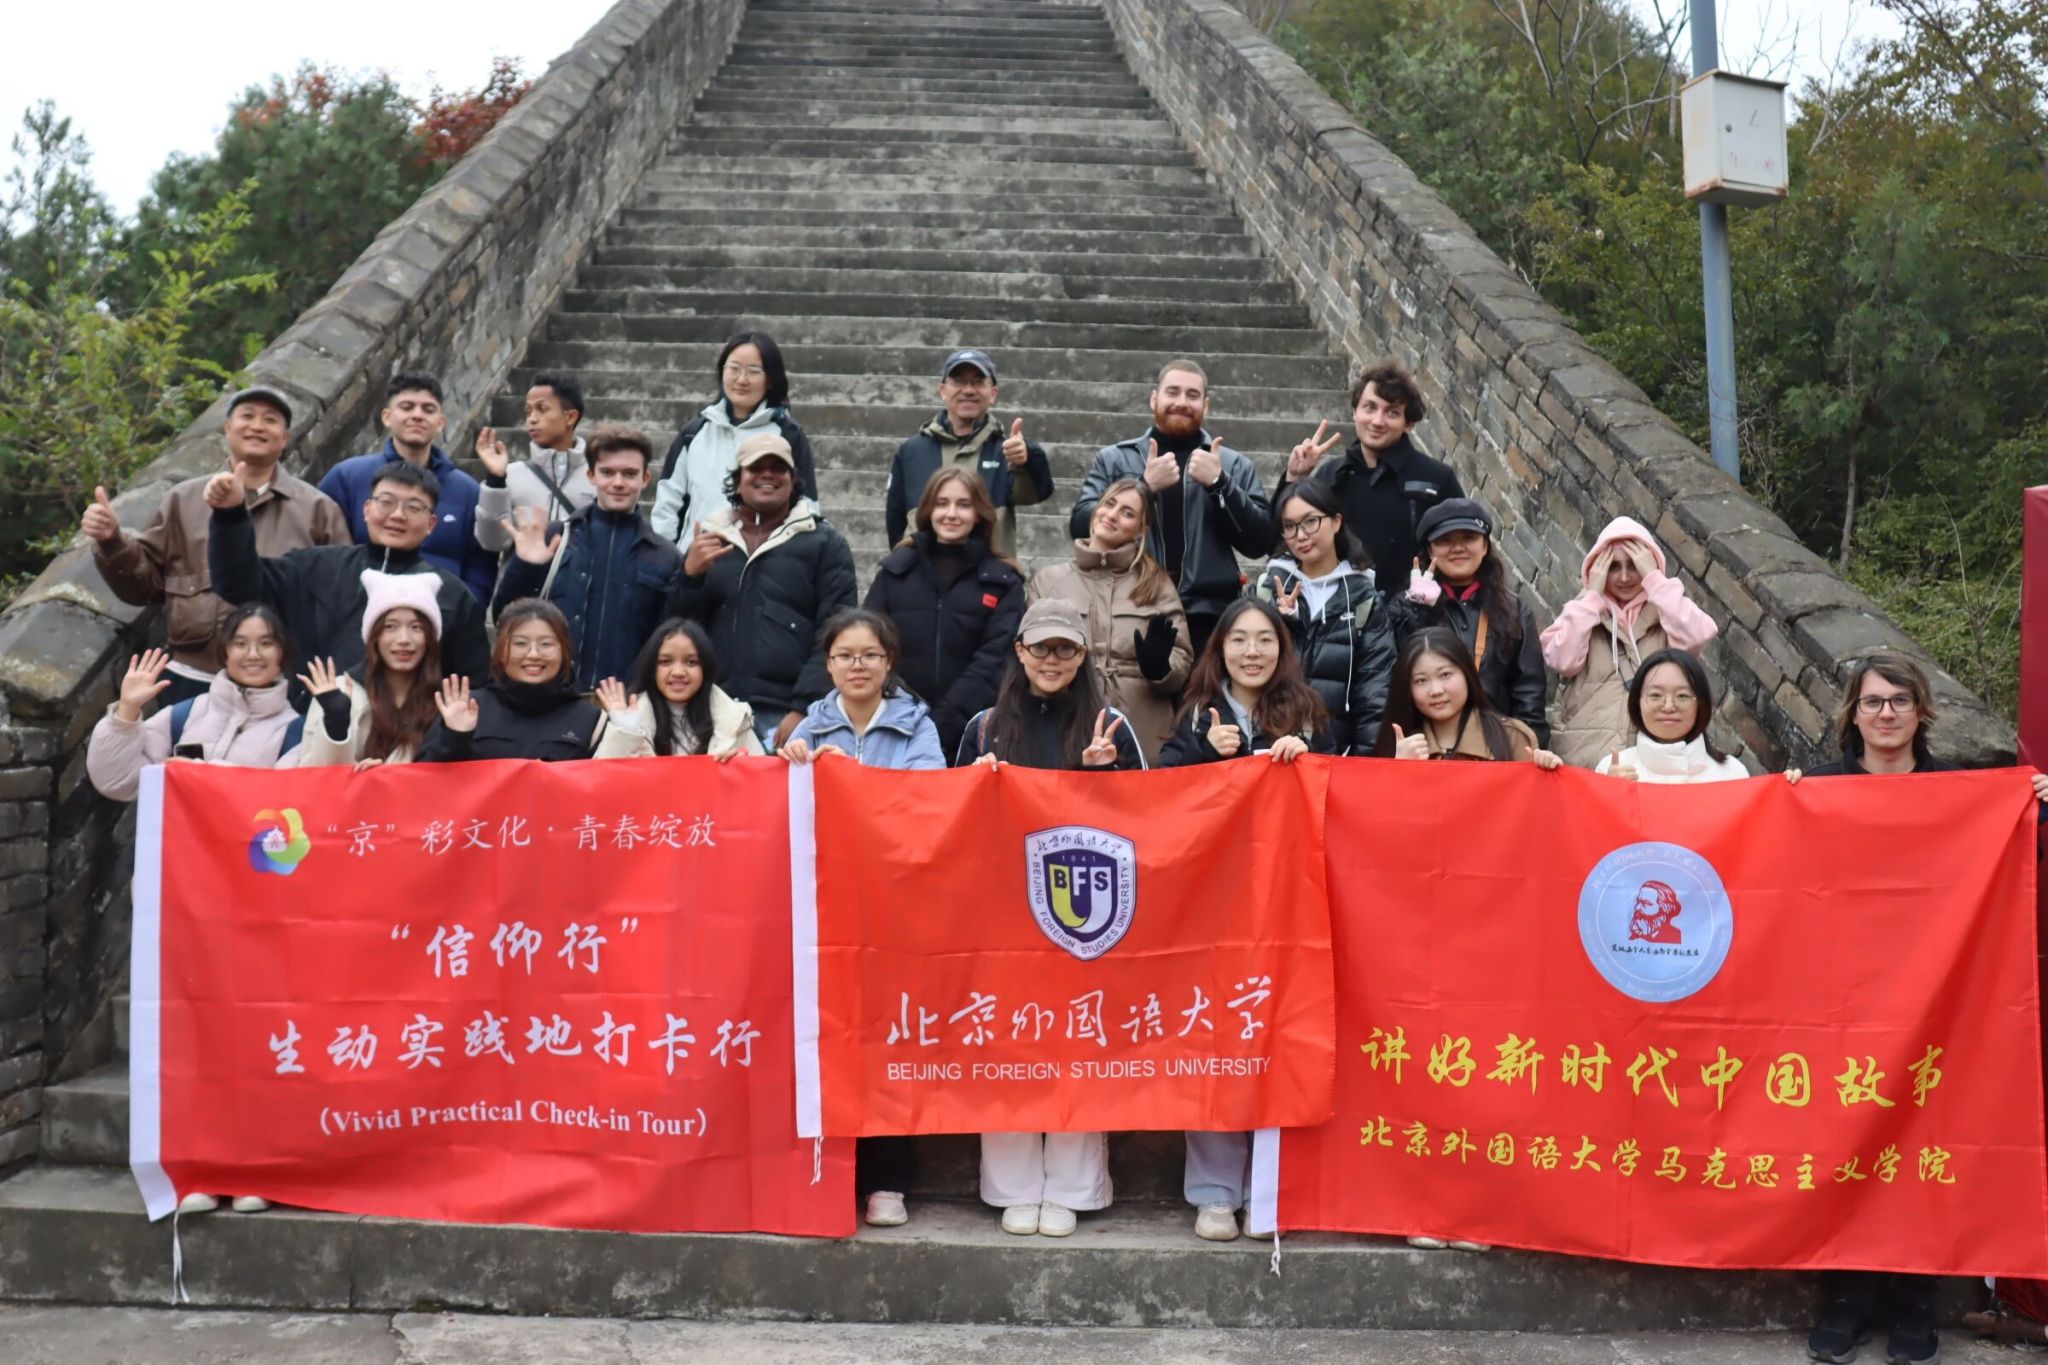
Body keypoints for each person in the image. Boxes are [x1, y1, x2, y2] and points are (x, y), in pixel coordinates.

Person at [1787, 652, 2048, 1365]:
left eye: (1900, 701)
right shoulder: (1819, 788)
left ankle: (1914, 1301)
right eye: (1873, 701)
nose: (1887, 714)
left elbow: (2014, 860)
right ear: (1853, 713)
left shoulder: (1959, 792)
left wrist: (2033, 808)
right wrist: (1784, 803)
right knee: (1845, 1143)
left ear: (1922, 711)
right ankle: (1845, 1298)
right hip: (1842, 1002)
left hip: (1936, 1000)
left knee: (1924, 1145)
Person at [956, 600, 1138, 1238]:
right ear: (1020, 651)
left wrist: (1106, 777)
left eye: (1066, 649)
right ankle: (1010, 1186)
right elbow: (951, 824)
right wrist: (974, 786)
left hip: (1082, 910)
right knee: (1007, 1040)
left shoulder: (1112, 725)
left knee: (1078, 1040)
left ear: (1083, 655)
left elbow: (1147, 823)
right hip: (1001, 909)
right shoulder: (983, 727)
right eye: (1041, 648)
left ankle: (1073, 1187)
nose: (1052, 660)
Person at [778, 609, 946, 1228]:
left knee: (888, 1041)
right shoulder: (806, 728)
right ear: (827, 665)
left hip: (895, 908)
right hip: (825, 909)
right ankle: (829, 1177)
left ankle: (888, 1181)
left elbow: (927, 797)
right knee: (827, 1040)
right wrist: (790, 764)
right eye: (845, 655)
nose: (858, 666)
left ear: (888, 663)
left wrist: (849, 781)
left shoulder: (917, 725)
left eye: (870, 655)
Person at [81, 385, 349, 701]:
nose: (257, 426)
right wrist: (112, 542)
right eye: (247, 416)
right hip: (193, 675)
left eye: (270, 420)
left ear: (285, 437)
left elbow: (339, 598)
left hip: (283, 682)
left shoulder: (318, 509)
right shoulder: (182, 500)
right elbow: (143, 587)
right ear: (227, 428)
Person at [208, 460, 490, 684]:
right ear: (367, 509)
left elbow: (471, 682)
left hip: (407, 733)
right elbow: (238, 583)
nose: (397, 515)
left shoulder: (451, 595)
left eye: (413, 507)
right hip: (311, 723)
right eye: (386, 502)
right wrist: (230, 516)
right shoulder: (315, 567)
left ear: (431, 524)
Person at [1068, 359, 1274, 655]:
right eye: (1173, 392)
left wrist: (1220, 483)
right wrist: (1143, 487)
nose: (1182, 402)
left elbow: (1259, 542)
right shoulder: (1114, 459)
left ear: (1206, 405)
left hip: (1210, 612)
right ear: (1154, 398)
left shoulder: (1233, 464)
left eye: (1192, 395)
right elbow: (1080, 525)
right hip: (1131, 603)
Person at [669, 430, 857, 749]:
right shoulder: (708, 541)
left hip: (786, 715)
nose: (767, 475)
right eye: (756, 468)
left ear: (793, 480)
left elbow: (837, 634)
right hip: (712, 709)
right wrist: (690, 577)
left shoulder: (827, 543)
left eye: (778, 468)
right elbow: (676, 628)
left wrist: (803, 708)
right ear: (737, 480)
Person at [490, 423, 682, 691]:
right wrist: (526, 567)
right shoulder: (556, 538)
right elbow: (504, 616)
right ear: (591, 475)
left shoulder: (664, 555)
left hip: (625, 701)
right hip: (553, 697)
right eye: (607, 472)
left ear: (645, 479)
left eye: (629, 474)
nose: (618, 483)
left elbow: (669, 639)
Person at [864, 467, 1025, 759]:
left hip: (972, 737)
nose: (951, 514)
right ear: (928, 510)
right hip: (897, 730)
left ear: (979, 513)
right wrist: (910, 718)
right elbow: (870, 645)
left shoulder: (1003, 581)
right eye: (942, 503)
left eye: (963, 505)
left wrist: (941, 724)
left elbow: (995, 661)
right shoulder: (894, 572)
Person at [1031, 478, 1190, 764]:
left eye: (1127, 513)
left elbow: (1182, 658)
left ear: (1141, 529)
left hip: (1142, 725)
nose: (1112, 515)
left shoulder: (1156, 584)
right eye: (1109, 504)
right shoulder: (1049, 581)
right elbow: (1029, 654)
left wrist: (1161, 669)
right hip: (1068, 721)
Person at [1272, 361, 1463, 600]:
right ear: (1355, 411)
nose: (1377, 421)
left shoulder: (1437, 478)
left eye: (1392, 412)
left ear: (1409, 423)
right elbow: (1282, 541)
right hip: (1340, 611)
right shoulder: (1330, 475)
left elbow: (1462, 550)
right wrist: (1294, 479)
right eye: (1369, 408)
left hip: (1414, 612)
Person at [1541, 516, 1719, 768]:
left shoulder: (1668, 611)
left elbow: (1698, 636)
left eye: (1634, 566)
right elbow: (1562, 660)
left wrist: (1655, 580)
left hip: (1652, 760)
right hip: (1586, 759)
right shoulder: (1581, 612)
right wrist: (1591, 597)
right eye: (1613, 567)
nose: (1624, 577)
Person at [318, 372, 494, 604]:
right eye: (407, 407)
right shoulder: (346, 477)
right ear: (387, 417)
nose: (417, 415)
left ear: (440, 422)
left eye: (428, 409)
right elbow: (321, 551)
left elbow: (480, 565)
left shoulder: (467, 490)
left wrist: (463, 610)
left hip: (442, 615)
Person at [1256, 479, 1395, 755]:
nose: (1300, 535)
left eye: (1311, 522)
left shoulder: (1363, 600)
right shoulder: (1266, 590)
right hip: (1268, 748)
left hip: (1335, 755)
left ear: (1336, 522)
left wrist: (1362, 762)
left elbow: (1375, 693)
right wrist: (1284, 622)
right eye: (1290, 526)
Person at [1397, 498, 1548, 744]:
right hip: (1426, 746)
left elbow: (1529, 694)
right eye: (1444, 540)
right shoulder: (1406, 606)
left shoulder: (1514, 610)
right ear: (1429, 550)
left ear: (1485, 546)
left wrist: (1529, 747)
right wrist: (1416, 609)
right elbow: (1395, 682)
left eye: (1468, 538)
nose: (1457, 548)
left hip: (1496, 745)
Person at [652, 331, 819, 546]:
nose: (742, 379)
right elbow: (667, 504)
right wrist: (667, 557)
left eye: (753, 371)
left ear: (770, 379)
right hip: (699, 557)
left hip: (762, 558)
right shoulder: (693, 433)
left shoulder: (788, 434)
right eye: (734, 368)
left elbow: (807, 506)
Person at [883, 349, 1052, 557]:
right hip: (923, 572)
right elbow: (896, 523)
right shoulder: (912, 451)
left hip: (988, 572)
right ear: (943, 391)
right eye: (959, 381)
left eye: (978, 382)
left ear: (993, 393)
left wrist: (1028, 458)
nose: (968, 390)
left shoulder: (1006, 450)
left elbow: (1038, 493)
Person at [417, 599, 606, 763]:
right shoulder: (468, 708)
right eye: (520, 643)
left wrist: (621, 730)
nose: (533, 654)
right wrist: (454, 737)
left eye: (546, 644)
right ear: (500, 651)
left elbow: (605, 783)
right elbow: (423, 781)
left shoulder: (589, 718)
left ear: (564, 651)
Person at [294, 571, 443, 769]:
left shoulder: (445, 701)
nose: (404, 639)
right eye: (390, 627)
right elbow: (312, 772)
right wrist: (336, 722)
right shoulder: (339, 691)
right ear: (374, 636)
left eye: (416, 627)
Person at [1159, 598, 1328, 769]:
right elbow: (1167, 779)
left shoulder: (1305, 711)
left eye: (1265, 640)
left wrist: (1307, 756)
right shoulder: (1198, 714)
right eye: (1239, 640)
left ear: (1281, 647)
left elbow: (1332, 776)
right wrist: (1205, 750)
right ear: (1221, 648)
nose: (1252, 652)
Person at [1373, 627, 1561, 768]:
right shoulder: (1398, 744)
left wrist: (1547, 770)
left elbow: (1533, 803)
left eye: (1445, 675)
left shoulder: (1511, 737)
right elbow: (1378, 807)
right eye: (1421, 680)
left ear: (1467, 674)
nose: (1436, 690)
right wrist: (1398, 768)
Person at [592, 619, 763, 761]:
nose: (678, 672)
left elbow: (761, 781)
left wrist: (740, 767)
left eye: (691, 662)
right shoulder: (630, 718)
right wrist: (625, 733)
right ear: (652, 668)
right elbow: (604, 782)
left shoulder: (733, 719)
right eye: (666, 662)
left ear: (705, 668)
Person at [474, 371, 593, 554]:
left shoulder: (597, 477)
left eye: (542, 409)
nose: (532, 419)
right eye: (528, 411)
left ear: (570, 417)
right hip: (525, 572)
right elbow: (491, 542)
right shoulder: (511, 475)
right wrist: (495, 481)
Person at [1593, 648, 1746, 784]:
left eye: (1682, 696)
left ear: (1701, 704)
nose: (1668, 707)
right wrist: (1608, 794)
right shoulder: (1612, 770)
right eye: (1655, 695)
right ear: (1637, 703)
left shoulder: (1731, 774)